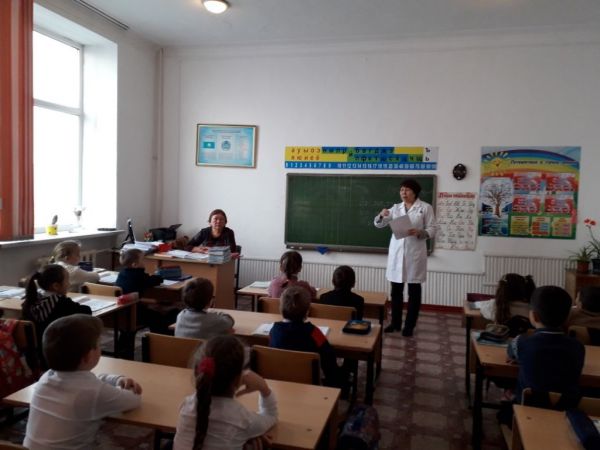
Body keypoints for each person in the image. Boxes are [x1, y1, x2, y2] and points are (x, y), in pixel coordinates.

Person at [24, 314, 142, 449]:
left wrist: (116, 379)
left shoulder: (47, 377)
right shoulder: (93, 391)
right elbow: (134, 399)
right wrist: (127, 386)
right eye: (98, 344)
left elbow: (91, 381)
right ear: (88, 356)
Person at [173, 335, 277, 450]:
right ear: (238, 378)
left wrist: (243, 437)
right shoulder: (242, 419)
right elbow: (271, 416)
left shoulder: (186, 406)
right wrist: (263, 387)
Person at [374, 178, 436, 336]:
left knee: (414, 292)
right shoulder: (396, 208)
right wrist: (381, 215)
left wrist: (421, 232)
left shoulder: (425, 207)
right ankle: (395, 323)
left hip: (415, 254)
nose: (403, 192)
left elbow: (433, 228)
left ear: (415, 192)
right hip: (397, 254)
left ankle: (409, 326)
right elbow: (379, 224)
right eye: (401, 190)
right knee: (396, 292)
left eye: (407, 190)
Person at [507, 286, 584, 409]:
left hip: (528, 407)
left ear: (534, 316)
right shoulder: (578, 346)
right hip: (566, 410)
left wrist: (521, 358)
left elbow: (510, 353)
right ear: (568, 317)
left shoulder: (521, 342)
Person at [269, 286, 346, 388]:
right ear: (307, 311)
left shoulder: (274, 330)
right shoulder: (314, 332)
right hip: (309, 386)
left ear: (281, 308)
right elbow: (328, 356)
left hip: (279, 382)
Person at [22, 264, 92, 348]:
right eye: (67, 281)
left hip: (36, 352)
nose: (69, 284)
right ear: (56, 286)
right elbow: (87, 311)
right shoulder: (62, 304)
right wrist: (64, 298)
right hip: (57, 351)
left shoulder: (30, 301)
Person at [116, 248, 178, 334]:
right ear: (135, 265)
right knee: (158, 317)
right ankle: (158, 338)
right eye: (143, 260)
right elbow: (155, 280)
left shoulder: (122, 273)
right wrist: (158, 274)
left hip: (121, 312)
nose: (145, 262)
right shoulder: (139, 276)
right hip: (135, 313)